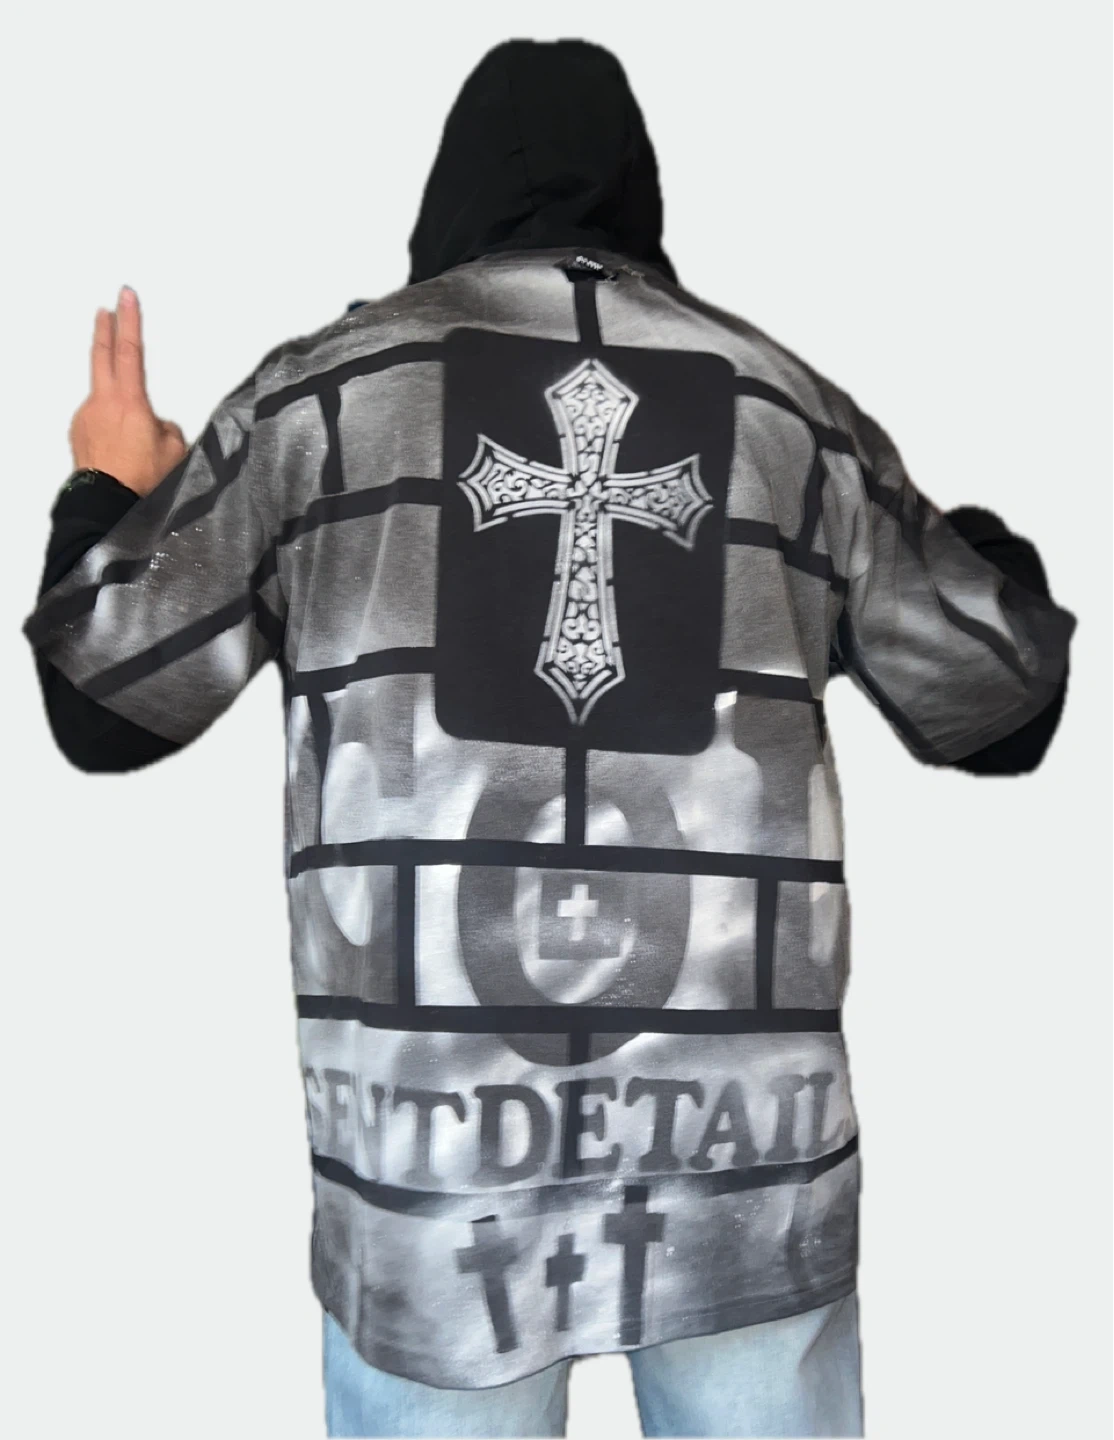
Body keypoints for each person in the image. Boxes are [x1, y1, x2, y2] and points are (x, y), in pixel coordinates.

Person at [22, 37, 1075, 1440]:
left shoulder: (318, 401)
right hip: (741, 1164)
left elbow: (104, 703)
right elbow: (999, 702)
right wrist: (974, 542)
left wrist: (108, 491)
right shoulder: (786, 410)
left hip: (434, 1164)